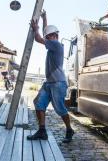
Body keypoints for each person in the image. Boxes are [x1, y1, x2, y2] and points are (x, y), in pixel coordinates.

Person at [27, 10, 75, 143]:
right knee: (38, 103)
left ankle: (69, 129)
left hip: (58, 83)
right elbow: (44, 34)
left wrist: (35, 29)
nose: (47, 38)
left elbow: (39, 38)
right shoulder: (51, 42)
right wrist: (44, 18)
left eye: (49, 36)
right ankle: (42, 131)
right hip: (49, 83)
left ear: (55, 36)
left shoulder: (56, 44)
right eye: (47, 37)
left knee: (60, 109)